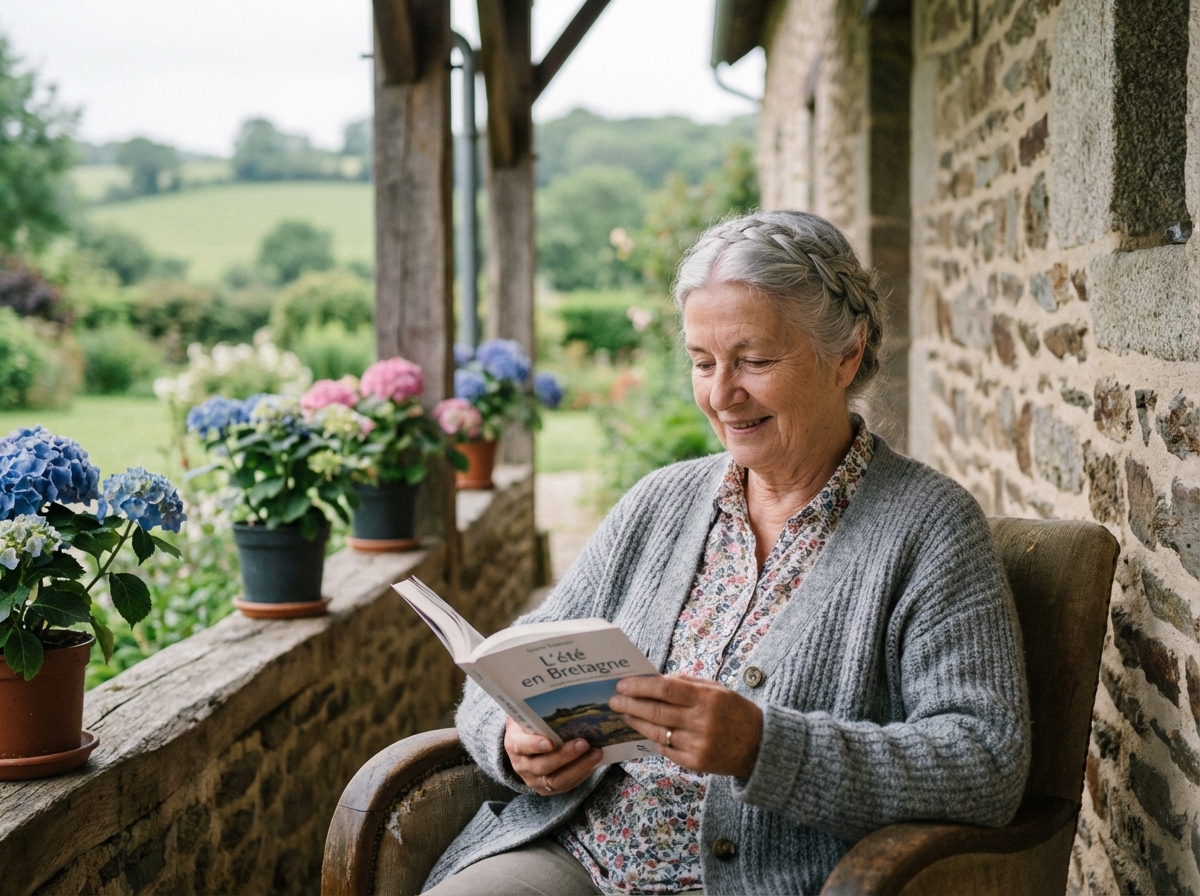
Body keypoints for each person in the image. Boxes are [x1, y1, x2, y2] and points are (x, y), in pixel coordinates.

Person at [424, 210, 1031, 895]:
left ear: (847, 355)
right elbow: (508, 661)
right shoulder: (660, 502)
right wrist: (511, 739)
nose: (721, 395)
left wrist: (764, 746)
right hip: (574, 859)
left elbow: (985, 763)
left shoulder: (930, 527)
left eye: (755, 361)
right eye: (702, 363)